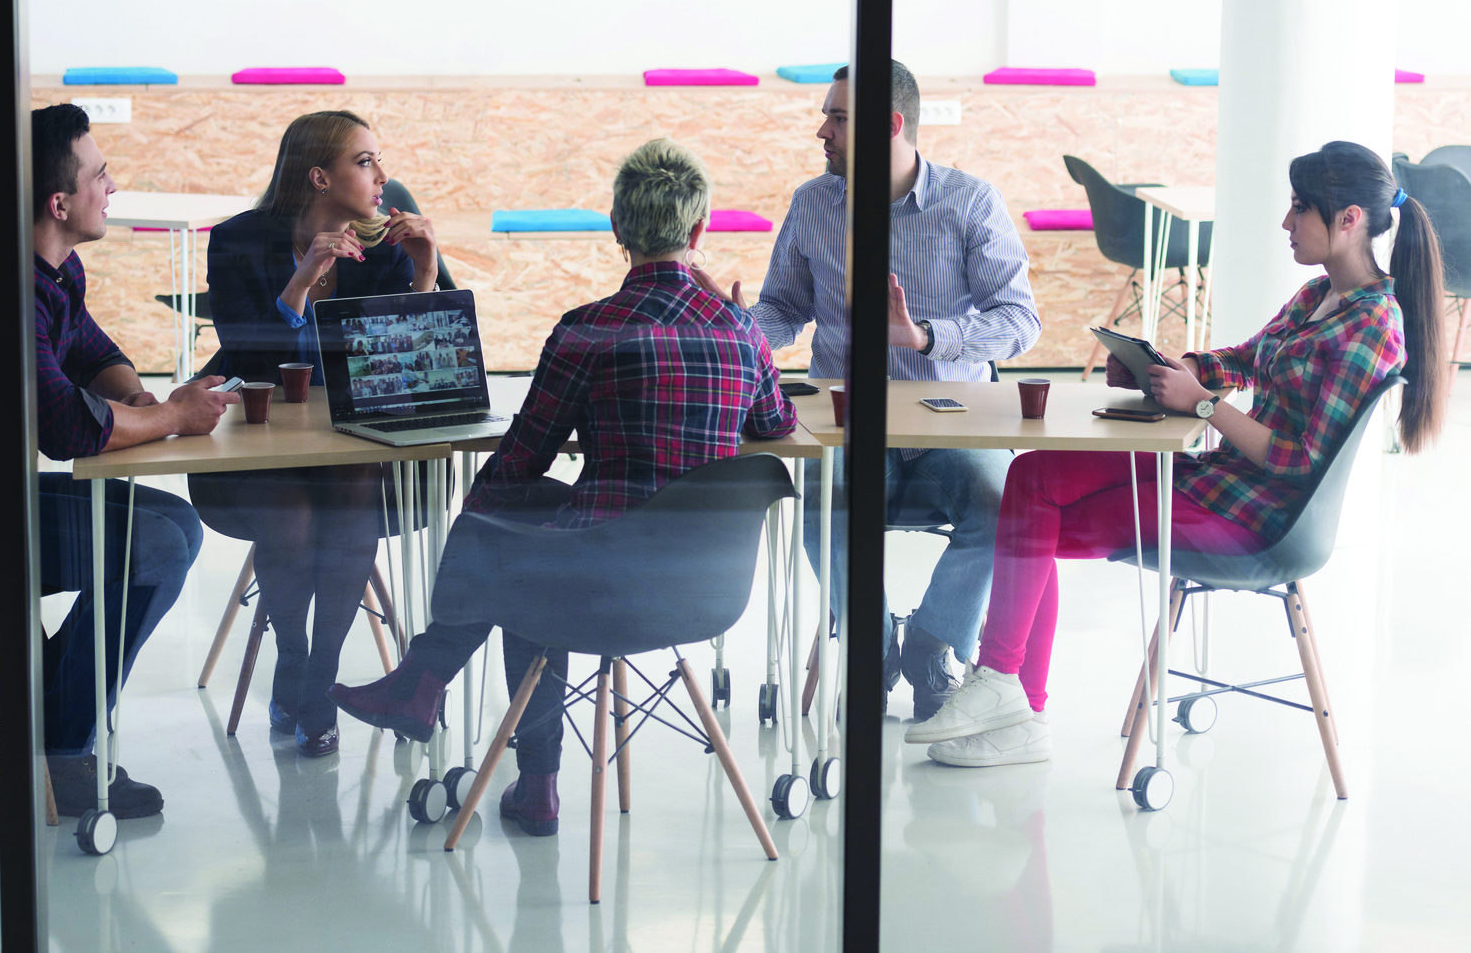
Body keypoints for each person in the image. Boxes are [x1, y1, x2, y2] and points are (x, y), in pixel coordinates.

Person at [909, 140, 1447, 766]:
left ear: (1349, 219)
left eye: (1300, 208)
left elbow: (1300, 462)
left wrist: (1201, 405)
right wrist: (1171, 369)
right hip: (1221, 479)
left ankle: (1007, 690)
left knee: (1035, 516)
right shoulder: (1316, 295)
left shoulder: (1373, 325)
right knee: (1033, 477)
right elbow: (1242, 361)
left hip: (1260, 519)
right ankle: (1012, 699)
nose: (1286, 222)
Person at [331, 138, 797, 835]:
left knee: (517, 536)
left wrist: (470, 527)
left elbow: (521, 458)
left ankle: (518, 764)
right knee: (533, 531)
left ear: (616, 228)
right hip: (704, 588)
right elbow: (775, 424)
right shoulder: (740, 331)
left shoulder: (588, 331)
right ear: (698, 233)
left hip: (598, 581)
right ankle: (426, 688)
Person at [0, 104, 236, 817]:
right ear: (59, 202)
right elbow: (66, 427)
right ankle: (59, 751)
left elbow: (92, 353)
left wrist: (141, 397)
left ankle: (40, 735)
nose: (113, 186)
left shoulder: (51, 272)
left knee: (177, 529)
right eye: (101, 175)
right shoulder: (3, 290)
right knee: (156, 544)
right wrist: (171, 418)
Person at [694, 60, 1039, 719]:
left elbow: (1019, 320)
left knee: (1006, 506)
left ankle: (934, 646)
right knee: (823, 505)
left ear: (889, 124)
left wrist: (925, 337)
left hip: (951, 427)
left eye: (838, 118)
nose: (820, 129)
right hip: (850, 428)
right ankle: (872, 645)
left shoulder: (968, 202)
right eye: (826, 114)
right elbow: (784, 310)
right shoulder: (814, 204)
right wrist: (738, 328)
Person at [187, 111, 439, 758]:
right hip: (261, 441)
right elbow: (245, 352)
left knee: (353, 482)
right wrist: (301, 282)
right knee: (294, 514)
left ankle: (315, 678)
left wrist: (423, 276)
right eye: (365, 161)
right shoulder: (237, 240)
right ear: (320, 176)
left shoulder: (383, 248)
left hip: (349, 441)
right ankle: (294, 660)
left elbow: (408, 360)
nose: (383, 176)